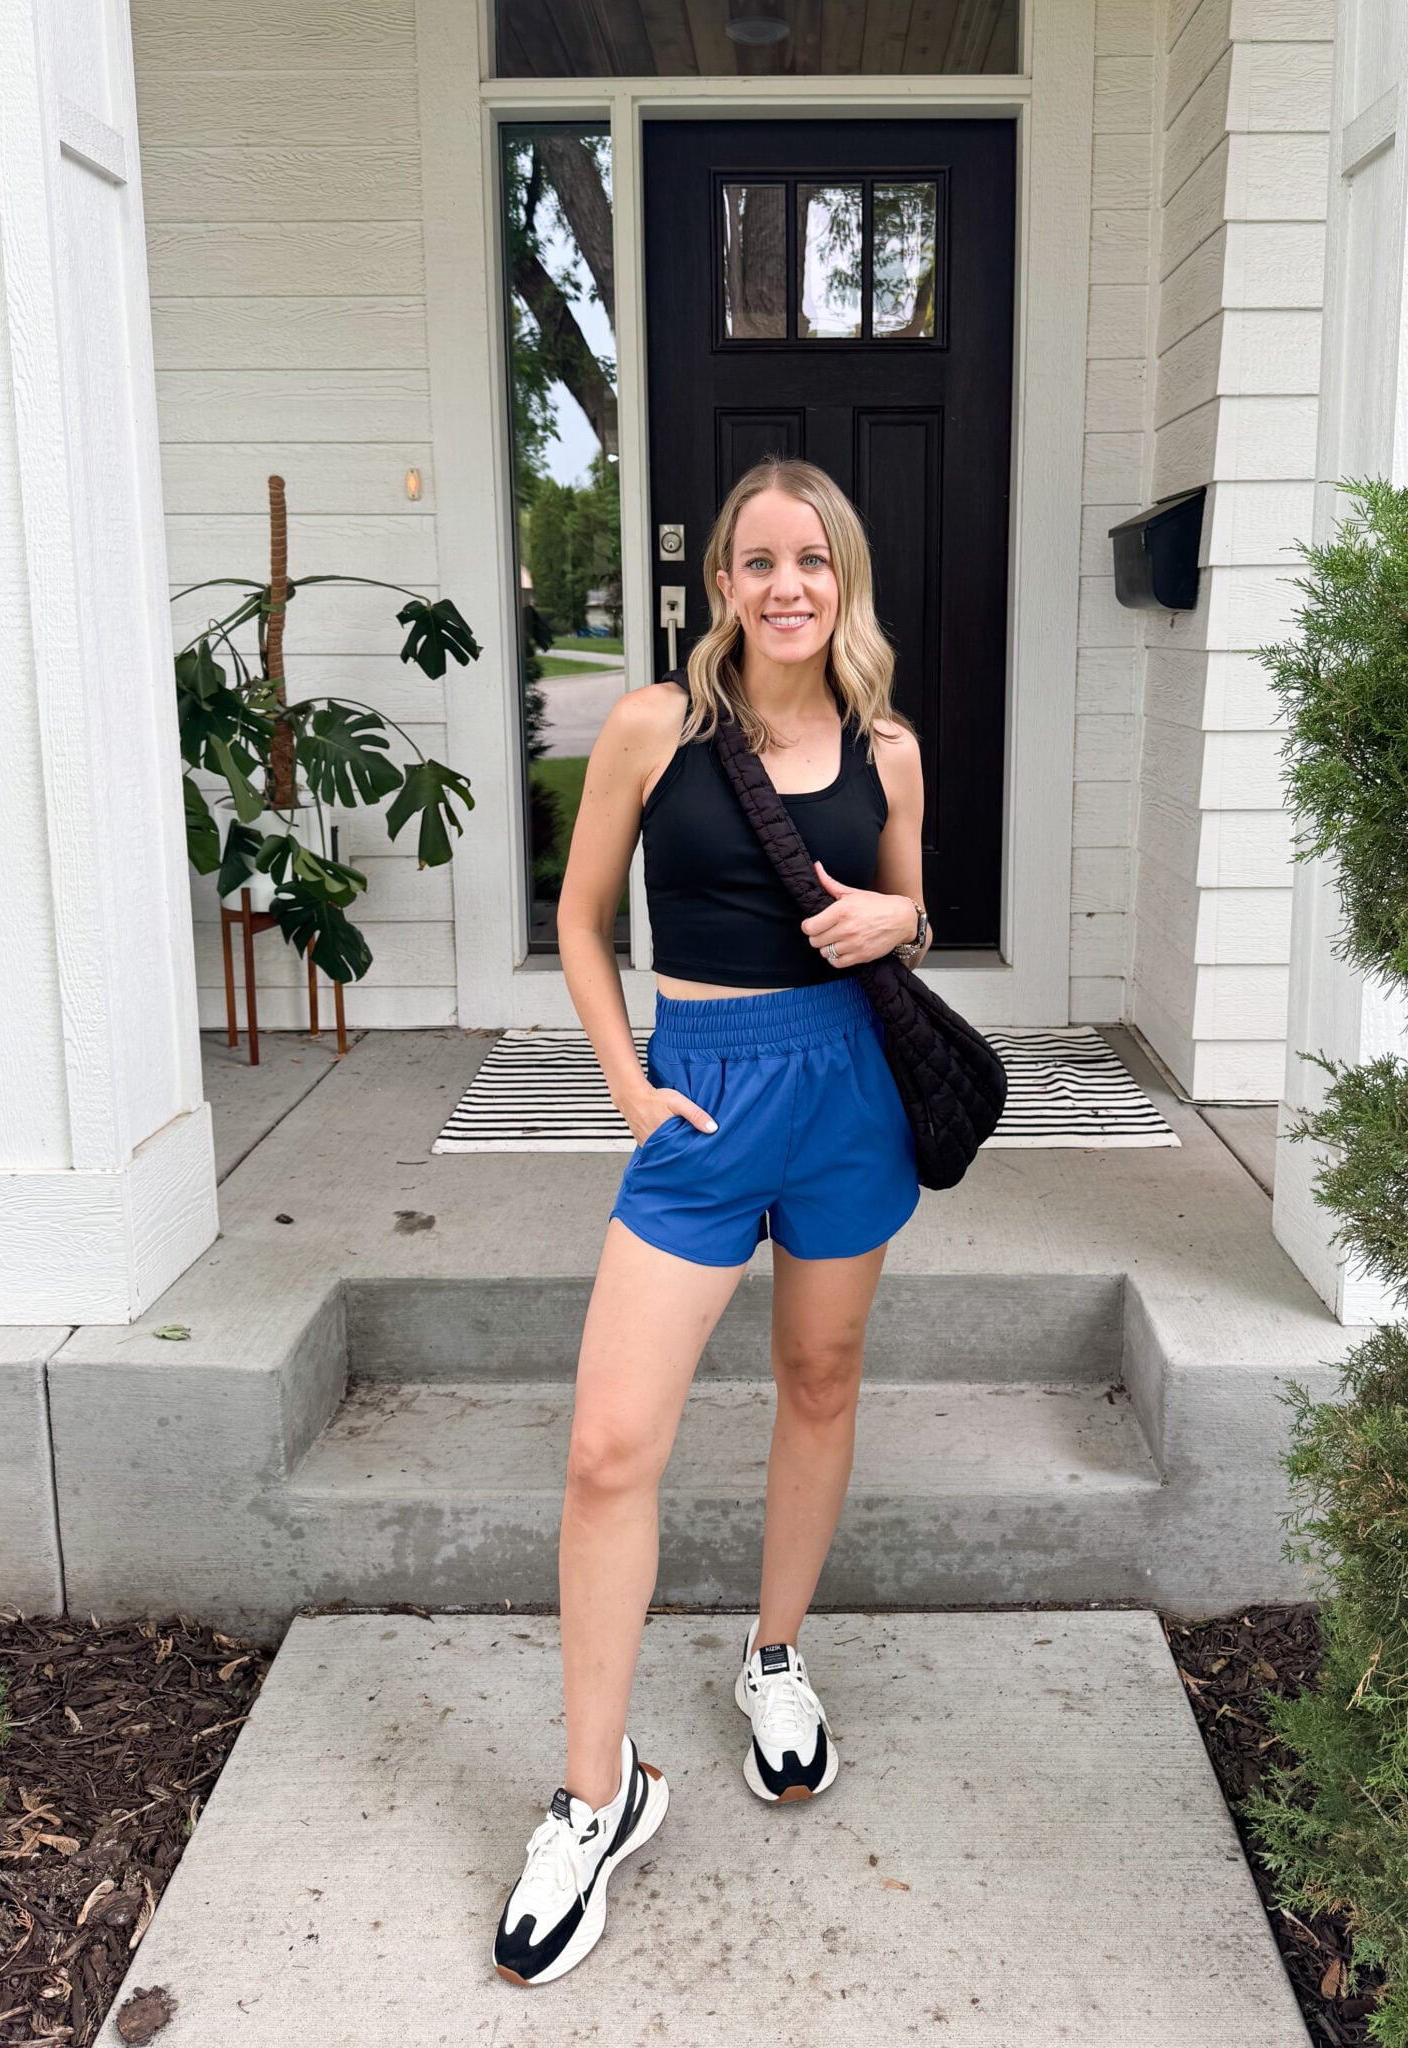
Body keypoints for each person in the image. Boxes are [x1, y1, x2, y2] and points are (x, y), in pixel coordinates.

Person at [493, 457, 933, 1986]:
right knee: (610, 1444)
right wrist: (628, 1086)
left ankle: (772, 1656)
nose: (786, 585)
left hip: (848, 1094)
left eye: (812, 559)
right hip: (697, 1093)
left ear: (843, 576)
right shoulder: (652, 728)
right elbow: (578, 915)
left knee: (819, 1380)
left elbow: (901, 914)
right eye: (758, 561)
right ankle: (594, 1795)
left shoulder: (888, 747)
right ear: (721, 584)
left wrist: (904, 919)